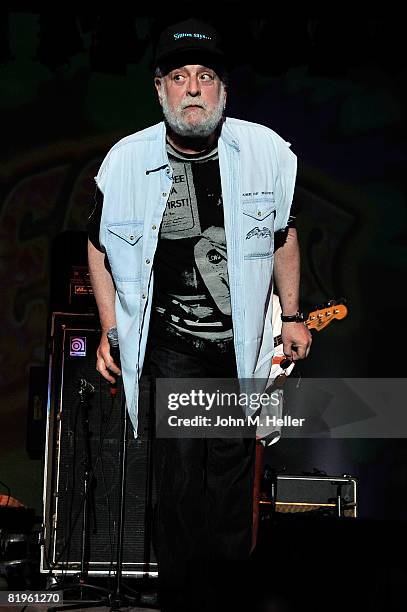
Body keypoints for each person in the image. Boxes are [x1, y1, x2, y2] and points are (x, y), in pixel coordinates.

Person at [87, 18, 312, 612]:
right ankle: (183, 600)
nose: (193, 89)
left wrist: (293, 315)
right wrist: (111, 328)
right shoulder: (126, 162)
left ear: (223, 92)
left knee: (233, 483)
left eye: (206, 77)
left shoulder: (264, 152)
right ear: (160, 89)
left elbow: (284, 234)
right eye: (180, 77)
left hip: (238, 350)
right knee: (182, 480)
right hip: (174, 349)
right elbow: (99, 244)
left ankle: (225, 600)